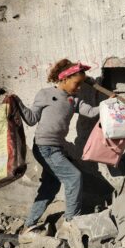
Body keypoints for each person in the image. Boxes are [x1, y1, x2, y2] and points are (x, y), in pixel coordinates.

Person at [15, 58, 100, 234]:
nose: (78, 89)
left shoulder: (74, 100)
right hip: (44, 147)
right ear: (64, 79)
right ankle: (71, 222)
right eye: (76, 84)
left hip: (56, 149)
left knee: (50, 186)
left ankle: (30, 224)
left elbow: (91, 112)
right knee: (74, 177)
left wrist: (109, 105)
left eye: (81, 85)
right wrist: (17, 102)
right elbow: (31, 119)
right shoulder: (45, 94)